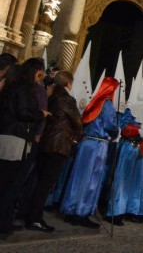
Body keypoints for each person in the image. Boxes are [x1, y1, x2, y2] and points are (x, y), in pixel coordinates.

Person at [24, 70, 82, 232]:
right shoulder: (66, 99)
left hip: (44, 141)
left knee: (36, 180)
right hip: (58, 144)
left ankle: (26, 213)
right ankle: (34, 218)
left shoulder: (49, 95)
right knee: (45, 183)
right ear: (68, 83)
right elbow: (77, 121)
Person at [60, 77, 120, 229]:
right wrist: (116, 131)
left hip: (86, 142)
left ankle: (71, 209)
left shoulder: (94, 102)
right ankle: (82, 212)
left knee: (78, 176)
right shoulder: (107, 104)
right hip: (97, 144)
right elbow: (110, 124)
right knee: (92, 179)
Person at [0, 57, 49, 235]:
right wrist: (41, 114)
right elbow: (23, 112)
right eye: (39, 73)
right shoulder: (25, 89)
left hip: (8, 134)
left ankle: (4, 219)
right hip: (17, 137)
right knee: (10, 183)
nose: (41, 76)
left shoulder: (11, 85)